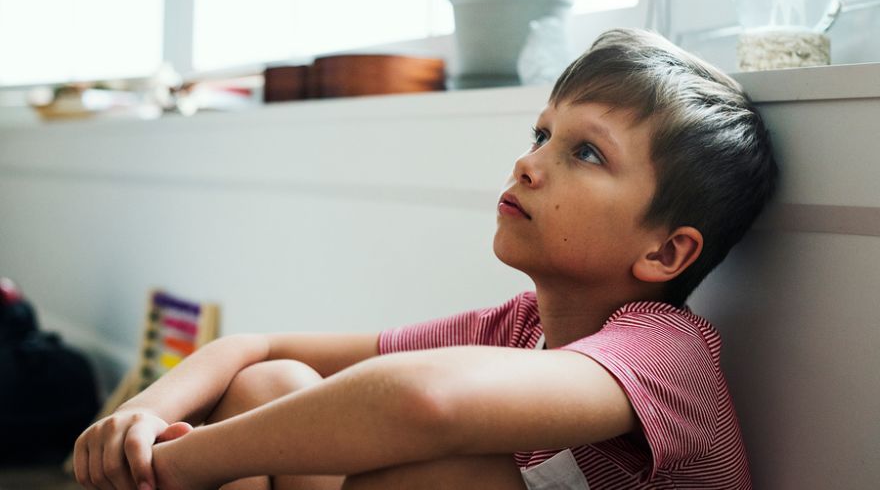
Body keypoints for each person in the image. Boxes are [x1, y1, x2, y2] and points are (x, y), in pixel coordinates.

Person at [73, 27, 777, 490]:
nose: (529, 163)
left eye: (585, 152)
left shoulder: (666, 350)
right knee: (271, 382)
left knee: (445, 469)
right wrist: (142, 413)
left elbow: (423, 399)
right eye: (540, 133)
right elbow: (254, 345)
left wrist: (175, 464)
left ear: (664, 250)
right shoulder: (522, 325)